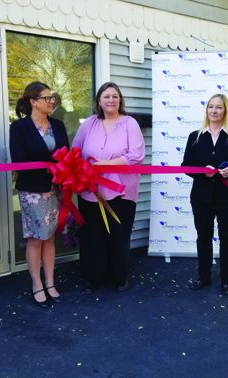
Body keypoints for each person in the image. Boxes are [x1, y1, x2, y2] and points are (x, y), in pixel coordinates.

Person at [72, 82, 145, 292]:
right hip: (90, 190)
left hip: (122, 190)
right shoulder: (88, 124)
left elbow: (136, 155)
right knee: (93, 235)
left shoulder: (130, 123)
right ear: (99, 101)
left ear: (120, 100)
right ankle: (94, 276)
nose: (111, 100)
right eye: (106, 97)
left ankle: (119, 277)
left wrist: (105, 165)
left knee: (119, 234)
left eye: (114, 96)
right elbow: (75, 151)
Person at [181, 94, 228, 296]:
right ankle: (203, 276)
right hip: (201, 197)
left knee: (227, 238)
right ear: (206, 111)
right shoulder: (195, 136)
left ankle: (226, 280)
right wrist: (202, 170)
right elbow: (186, 165)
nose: (214, 111)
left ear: (225, 111)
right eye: (210, 107)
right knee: (203, 237)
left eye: (218, 107)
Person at [9, 81, 70, 308]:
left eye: (52, 98)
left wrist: (62, 169)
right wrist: (49, 166)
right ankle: (37, 284)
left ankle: (51, 282)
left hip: (55, 189)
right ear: (33, 102)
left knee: (50, 237)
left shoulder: (58, 124)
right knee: (36, 238)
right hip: (32, 191)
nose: (51, 101)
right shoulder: (19, 128)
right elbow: (19, 161)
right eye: (47, 98)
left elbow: (66, 153)